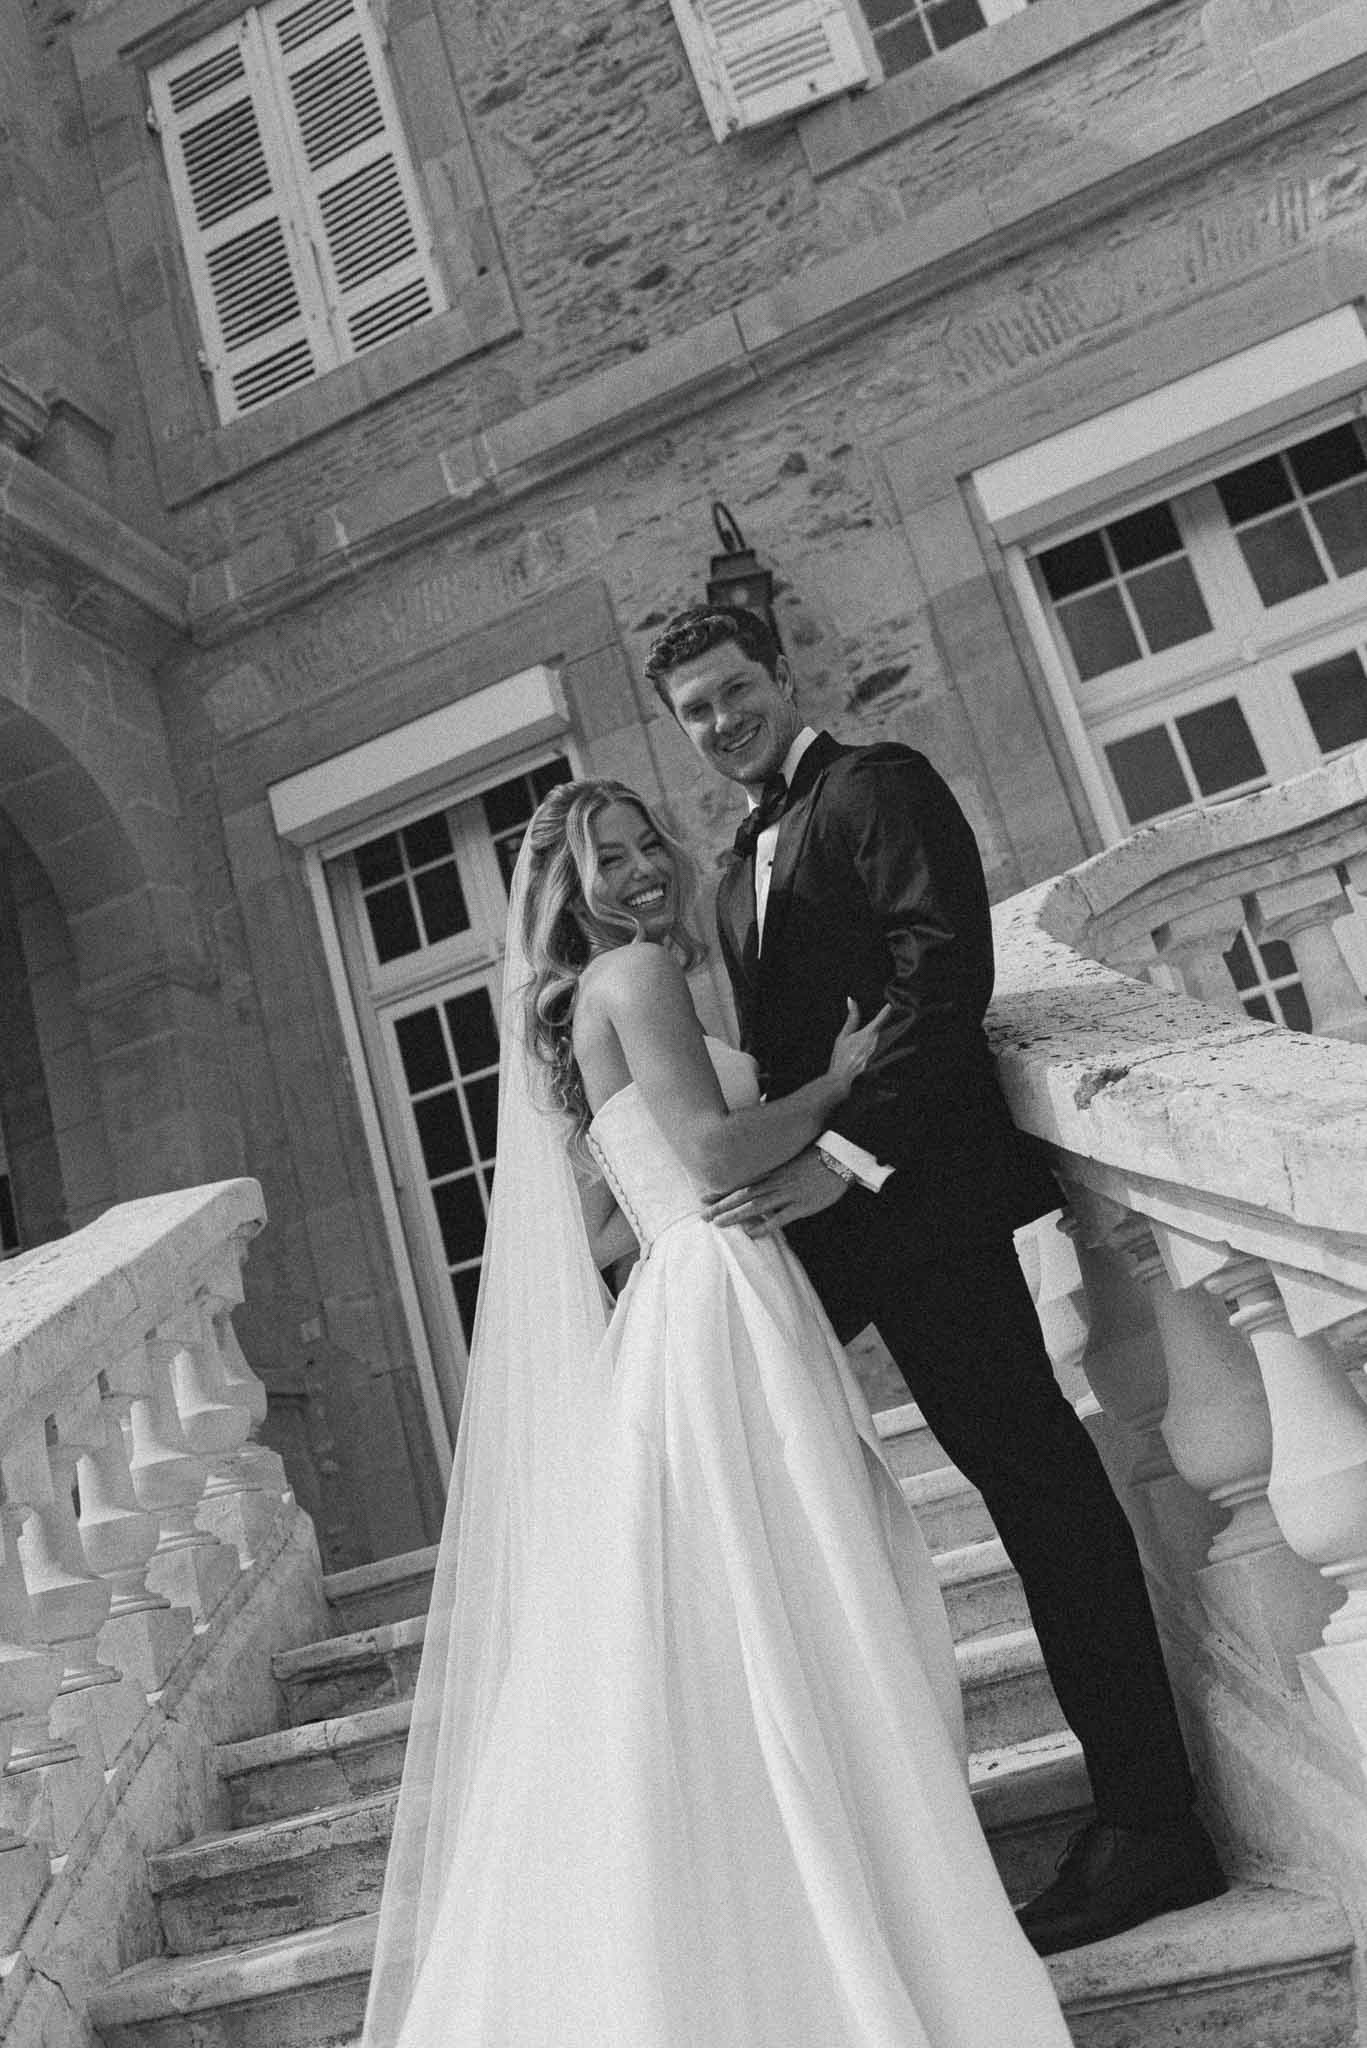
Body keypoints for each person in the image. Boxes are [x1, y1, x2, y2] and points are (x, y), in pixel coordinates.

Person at [362, 776, 1073, 2048]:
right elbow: (707, 1157)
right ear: (570, 895)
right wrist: (837, 1082)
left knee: (765, 1596)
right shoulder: (633, 975)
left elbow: (604, 1209)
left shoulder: (605, 996)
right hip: (722, 1286)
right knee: (800, 1583)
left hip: (691, 1290)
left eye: (646, 846)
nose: (638, 872)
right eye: (607, 860)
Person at [643, 603, 1227, 1958]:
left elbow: (939, 974)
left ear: (783, 677)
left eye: (736, 691)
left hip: (921, 1205)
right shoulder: (734, 871)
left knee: (1039, 1490)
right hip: (832, 1228)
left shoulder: (876, 789)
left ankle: (1150, 1821)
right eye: (696, 710)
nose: (722, 721)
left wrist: (847, 1155)